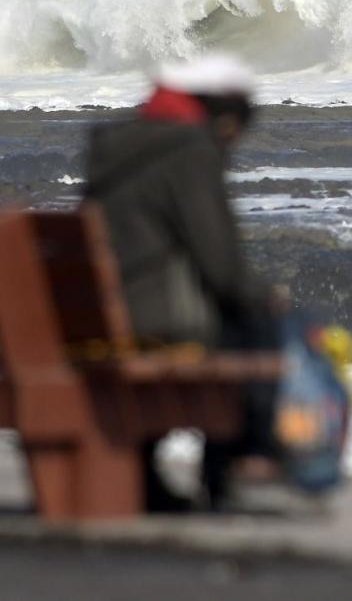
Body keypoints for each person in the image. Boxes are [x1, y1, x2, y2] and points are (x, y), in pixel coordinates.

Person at [83, 54, 283, 512]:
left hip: (94, 316)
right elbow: (222, 267)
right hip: (154, 324)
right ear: (223, 117)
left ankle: (151, 474)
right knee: (253, 321)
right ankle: (239, 466)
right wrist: (265, 298)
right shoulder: (191, 151)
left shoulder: (114, 145)